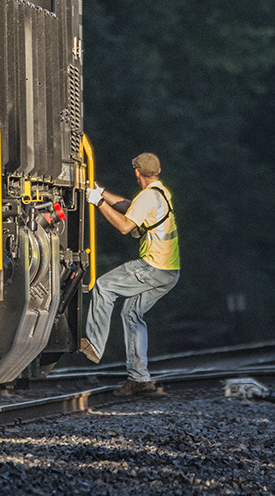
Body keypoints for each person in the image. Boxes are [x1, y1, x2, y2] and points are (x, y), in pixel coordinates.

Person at [80, 152, 179, 396]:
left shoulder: (148, 197)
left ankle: (93, 344)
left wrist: (98, 203)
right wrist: (101, 192)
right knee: (132, 313)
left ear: (137, 172)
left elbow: (125, 225)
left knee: (104, 286)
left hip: (153, 267)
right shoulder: (160, 192)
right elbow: (128, 206)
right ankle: (139, 378)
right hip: (170, 271)